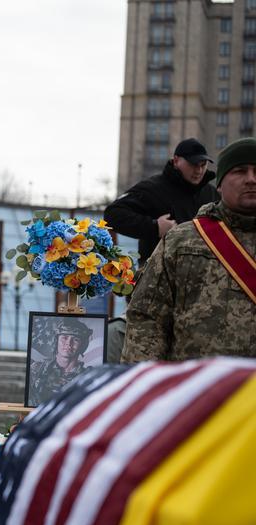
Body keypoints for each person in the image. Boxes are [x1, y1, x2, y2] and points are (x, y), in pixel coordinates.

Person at [123, 137, 256, 362]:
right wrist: (148, 384)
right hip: (199, 390)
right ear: (220, 183)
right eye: (240, 171)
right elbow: (146, 319)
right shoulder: (181, 241)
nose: (251, 179)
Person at [105, 138, 218, 265]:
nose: (199, 171)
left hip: (203, 276)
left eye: (203, 165)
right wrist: (154, 227)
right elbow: (112, 214)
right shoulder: (153, 188)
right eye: (193, 164)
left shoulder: (212, 194)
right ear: (176, 161)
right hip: (157, 277)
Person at [26, 318, 93, 407]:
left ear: (83, 345)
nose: (69, 344)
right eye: (64, 338)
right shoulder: (37, 370)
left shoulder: (89, 376)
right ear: (56, 341)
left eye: (75, 339)